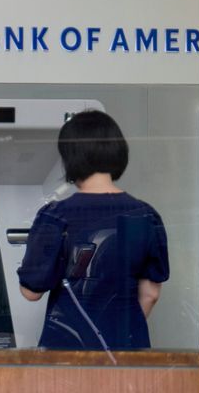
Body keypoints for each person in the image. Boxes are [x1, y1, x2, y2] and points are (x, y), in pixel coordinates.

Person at [16, 110, 170, 352]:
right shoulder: (146, 215)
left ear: (70, 158)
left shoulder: (55, 215)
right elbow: (151, 294)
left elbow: (31, 292)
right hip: (127, 352)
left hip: (66, 348)